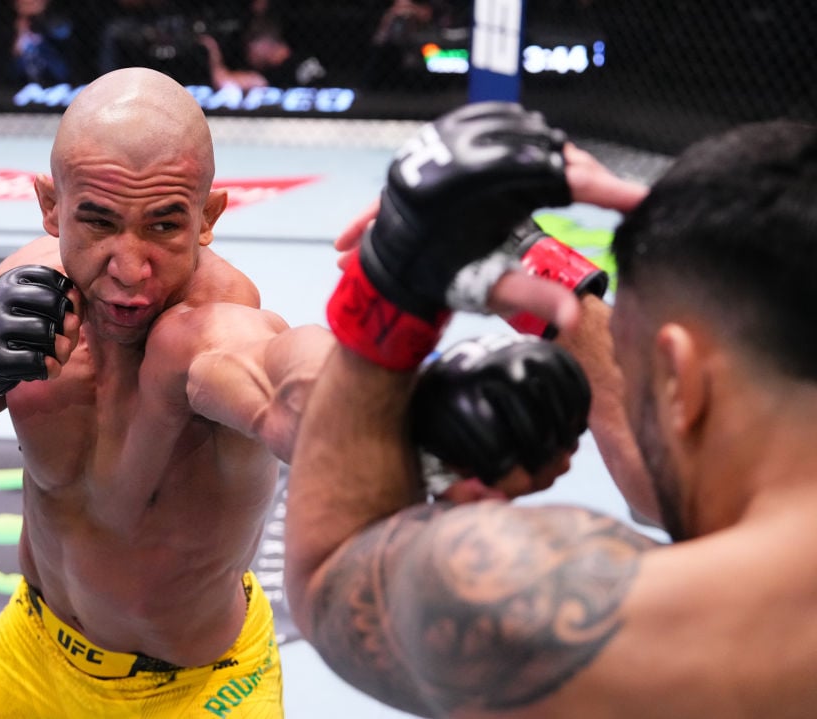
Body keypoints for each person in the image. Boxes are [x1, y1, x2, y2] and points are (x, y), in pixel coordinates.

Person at [285, 102, 817, 717]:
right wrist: (542, 272)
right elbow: (703, 477)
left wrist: (393, 284)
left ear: (680, 383)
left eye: (639, 377)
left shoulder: (639, 632)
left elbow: (333, 573)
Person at [0, 67, 334, 717]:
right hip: (34, 646)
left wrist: (375, 402)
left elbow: (282, 376)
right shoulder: (29, 296)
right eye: (98, 222)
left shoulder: (209, 331)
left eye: (163, 225)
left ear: (208, 217)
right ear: (51, 206)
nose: (129, 270)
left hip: (197, 688)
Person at [0, 0, 78, 87]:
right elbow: (4, 62)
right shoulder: (6, 27)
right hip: (15, 86)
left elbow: (63, 44)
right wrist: (21, 32)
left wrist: (40, 25)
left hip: (56, 84)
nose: (29, 3)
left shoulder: (58, 23)